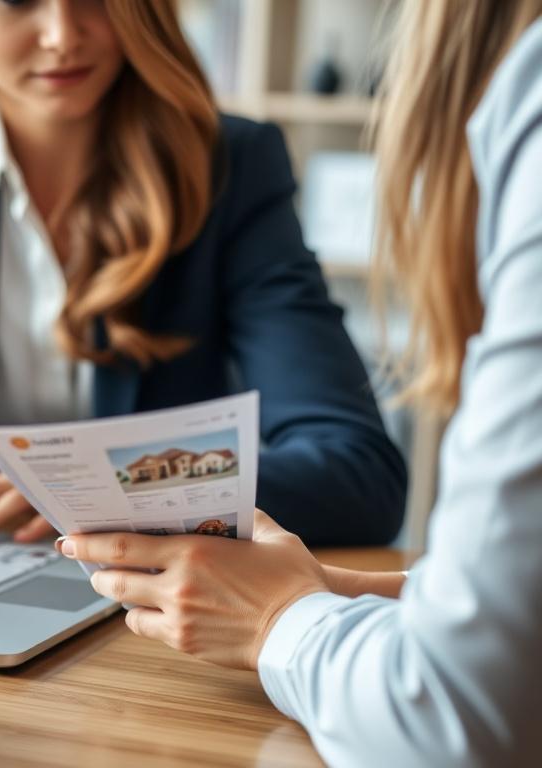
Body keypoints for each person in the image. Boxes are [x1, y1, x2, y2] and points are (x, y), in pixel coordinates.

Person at [55, 1, 542, 763]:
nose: (60, 32)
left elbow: (453, 724)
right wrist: (359, 593)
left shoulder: (232, 161)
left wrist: (280, 612)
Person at [0, 0, 406, 546]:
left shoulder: (230, 165)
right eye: (19, 2)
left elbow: (357, 473)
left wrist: (100, 488)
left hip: (160, 599)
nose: (63, 35)